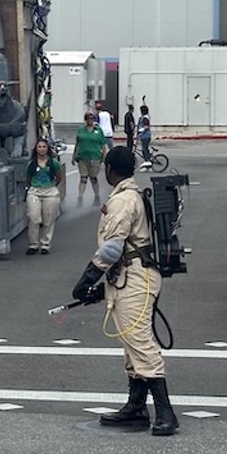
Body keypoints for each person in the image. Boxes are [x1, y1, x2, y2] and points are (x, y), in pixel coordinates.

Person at [71, 146, 178, 436]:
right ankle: (136, 407)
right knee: (131, 342)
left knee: (140, 341)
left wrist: (87, 279)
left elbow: (112, 247)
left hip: (135, 278)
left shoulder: (122, 201)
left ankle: (165, 413)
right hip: (131, 276)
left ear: (109, 169)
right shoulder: (130, 196)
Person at [24, 138, 63, 255]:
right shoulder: (31, 163)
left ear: (47, 149)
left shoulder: (54, 163)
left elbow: (59, 177)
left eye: (44, 147)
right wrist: (34, 186)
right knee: (33, 217)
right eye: (39, 147)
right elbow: (28, 177)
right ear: (36, 149)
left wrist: (52, 186)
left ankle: (45, 244)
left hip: (50, 192)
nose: (42, 149)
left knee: (48, 219)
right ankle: (33, 244)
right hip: (35, 192)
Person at [72, 111, 107, 206]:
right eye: (88, 119)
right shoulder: (81, 130)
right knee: (83, 178)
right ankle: (80, 198)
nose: (90, 120)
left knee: (93, 178)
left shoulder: (98, 130)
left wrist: (104, 158)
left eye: (92, 119)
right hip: (82, 158)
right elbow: (77, 144)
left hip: (95, 158)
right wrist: (74, 156)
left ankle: (97, 196)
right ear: (85, 120)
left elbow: (103, 145)